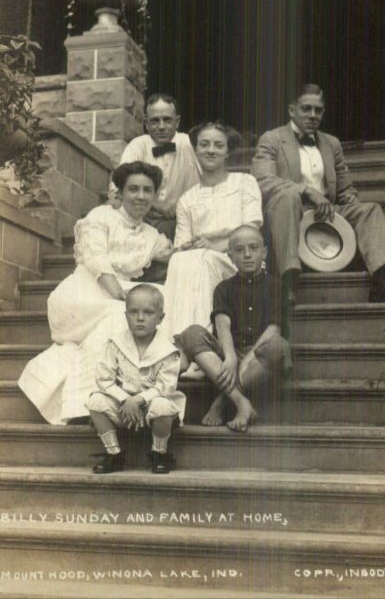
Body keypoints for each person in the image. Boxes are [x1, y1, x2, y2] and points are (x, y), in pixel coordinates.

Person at [18, 161, 173, 425]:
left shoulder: (151, 235)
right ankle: (82, 404)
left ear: (155, 195)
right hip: (84, 293)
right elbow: (95, 259)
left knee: (161, 299)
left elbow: (173, 254)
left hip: (121, 291)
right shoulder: (101, 217)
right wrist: (121, 296)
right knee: (120, 315)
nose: (140, 196)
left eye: (147, 190)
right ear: (120, 193)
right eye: (133, 189)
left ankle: (141, 392)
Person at [251, 83, 385, 303]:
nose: (313, 115)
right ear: (292, 110)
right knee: (287, 196)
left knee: (370, 210)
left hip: (326, 212)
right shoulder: (272, 139)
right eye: (306, 109)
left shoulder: (331, 143)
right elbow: (262, 181)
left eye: (318, 110)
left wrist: (350, 199)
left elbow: (345, 188)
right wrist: (307, 192)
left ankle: (383, 280)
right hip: (290, 212)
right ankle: (287, 283)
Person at [160, 122, 263, 363]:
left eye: (218, 145)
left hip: (237, 259)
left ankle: (198, 347)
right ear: (195, 150)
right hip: (199, 260)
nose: (210, 150)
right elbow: (181, 243)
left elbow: (252, 230)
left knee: (202, 258)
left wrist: (215, 246)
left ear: (228, 151)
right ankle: (177, 345)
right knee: (179, 258)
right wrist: (188, 247)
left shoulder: (245, 183)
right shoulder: (187, 199)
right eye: (204, 144)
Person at [179, 226, 292, 432]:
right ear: (230, 256)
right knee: (192, 334)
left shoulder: (277, 286)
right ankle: (242, 402)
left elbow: (274, 329)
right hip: (229, 351)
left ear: (264, 252)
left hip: (260, 357)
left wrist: (247, 360)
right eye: (239, 250)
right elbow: (222, 324)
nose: (247, 254)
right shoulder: (223, 288)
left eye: (254, 248)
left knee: (278, 346)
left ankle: (223, 401)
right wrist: (230, 357)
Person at [87, 284, 185, 474]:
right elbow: (104, 379)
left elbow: (165, 387)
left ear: (160, 318)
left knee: (162, 405)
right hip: (124, 407)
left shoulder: (168, 351)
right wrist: (125, 400)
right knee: (95, 400)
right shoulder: (115, 344)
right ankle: (114, 454)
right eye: (133, 312)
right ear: (126, 316)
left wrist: (138, 400)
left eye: (148, 312)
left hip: (152, 408)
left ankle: (159, 453)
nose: (140, 318)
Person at [111, 93, 200, 241]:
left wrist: (181, 209)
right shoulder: (138, 145)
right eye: (154, 121)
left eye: (167, 120)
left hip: (182, 221)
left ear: (177, 122)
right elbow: (118, 187)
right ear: (146, 124)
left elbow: (207, 184)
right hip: (143, 218)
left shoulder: (189, 144)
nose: (161, 127)